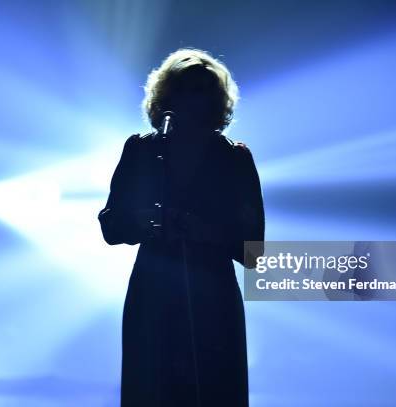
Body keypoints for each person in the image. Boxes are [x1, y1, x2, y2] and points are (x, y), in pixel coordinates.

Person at [98, 48, 265, 407]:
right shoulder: (142, 151)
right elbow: (111, 225)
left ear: (218, 101)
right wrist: (146, 220)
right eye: (187, 89)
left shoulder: (235, 159)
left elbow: (255, 252)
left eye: (204, 90)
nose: (195, 99)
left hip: (212, 298)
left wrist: (205, 231)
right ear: (167, 96)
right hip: (154, 294)